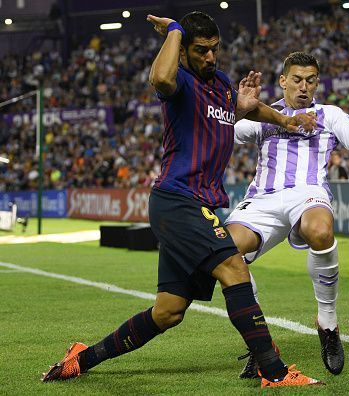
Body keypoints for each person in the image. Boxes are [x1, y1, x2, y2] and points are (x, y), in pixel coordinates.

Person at [41, 12, 322, 389]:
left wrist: (285, 121)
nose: (209, 57)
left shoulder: (221, 84)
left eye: (214, 50)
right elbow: (159, 77)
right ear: (185, 51)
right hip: (179, 200)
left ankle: (82, 357)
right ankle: (273, 371)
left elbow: (247, 108)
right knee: (235, 269)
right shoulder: (180, 84)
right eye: (200, 50)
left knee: (168, 311)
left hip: (194, 205)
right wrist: (174, 31)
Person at [224, 52, 349, 377]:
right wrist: (239, 106)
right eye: (296, 79)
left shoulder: (330, 115)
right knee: (222, 253)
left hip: (308, 193)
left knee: (321, 231)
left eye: (310, 80)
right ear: (282, 81)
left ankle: (327, 324)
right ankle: (262, 344)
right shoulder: (264, 115)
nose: (304, 87)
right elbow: (219, 133)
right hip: (263, 199)